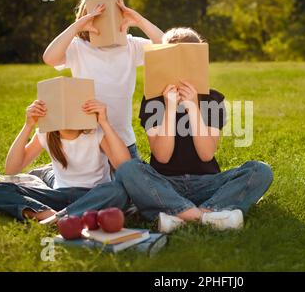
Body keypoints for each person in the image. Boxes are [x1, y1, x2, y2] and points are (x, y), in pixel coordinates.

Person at [115, 28, 274, 233]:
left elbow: (206, 153)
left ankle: (180, 216)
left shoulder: (213, 99)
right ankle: (208, 217)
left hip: (206, 183)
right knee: (129, 169)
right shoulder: (153, 101)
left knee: (260, 170)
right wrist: (170, 107)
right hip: (166, 183)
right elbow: (162, 156)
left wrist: (192, 107)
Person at [42, 0, 164, 161]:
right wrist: (76, 28)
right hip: (90, 142)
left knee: (134, 186)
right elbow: (50, 58)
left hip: (124, 142)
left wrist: (139, 21)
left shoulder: (131, 46)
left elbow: (167, 48)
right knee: (94, 186)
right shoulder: (78, 48)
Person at [0, 98, 130, 221]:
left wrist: (104, 122)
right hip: (58, 195)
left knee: (118, 192)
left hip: (92, 195)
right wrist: (28, 125)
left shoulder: (95, 132)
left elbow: (124, 165)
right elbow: (11, 169)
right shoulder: (46, 134)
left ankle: (59, 218)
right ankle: (47, 215)